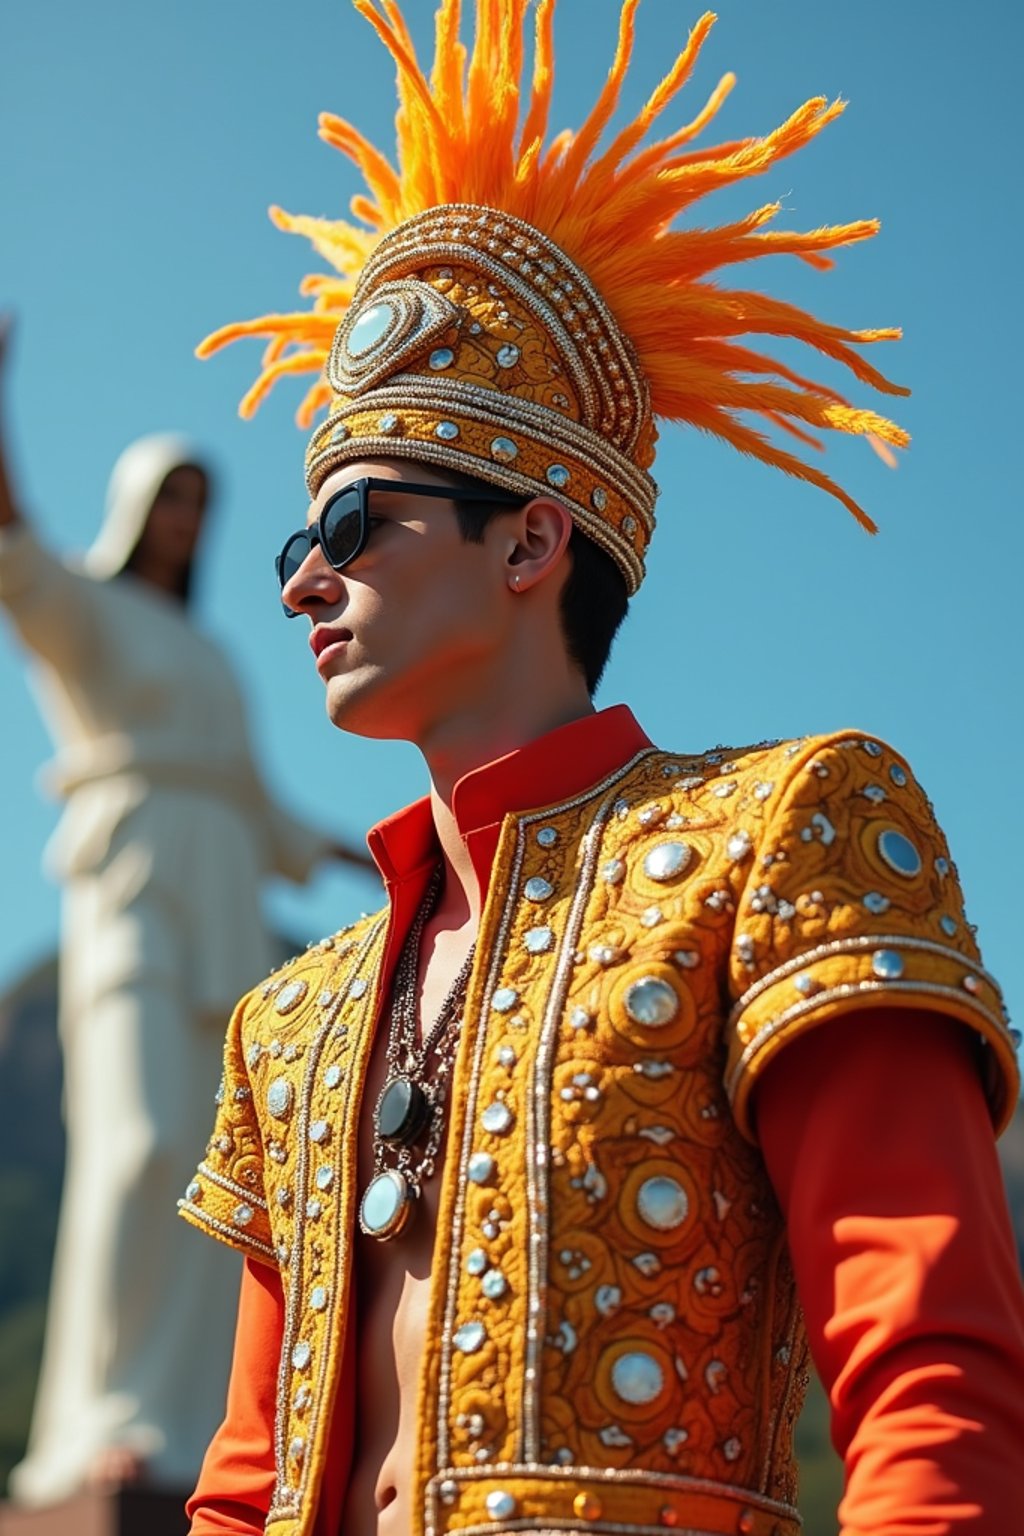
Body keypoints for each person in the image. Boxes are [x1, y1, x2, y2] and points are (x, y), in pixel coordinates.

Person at [179, 4, 1024, 1534]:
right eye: (300, 544)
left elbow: (930, 1383)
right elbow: (243, 1487)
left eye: (358, 526)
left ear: (531, 542)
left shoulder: (782, 836)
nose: (304, 582)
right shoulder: (286, 1025)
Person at [0, 324, 375, 1507]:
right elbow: (12, 551)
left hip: (225, 898)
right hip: (134, 886)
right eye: (173, 499)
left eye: (203, 505)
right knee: (139, 1145)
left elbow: (264, 804)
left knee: (222, 1171)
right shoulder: (90, 619)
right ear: (136, 505)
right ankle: (98, 1424)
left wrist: (378, 854)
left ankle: (183, 1428)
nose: (186, 522)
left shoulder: (210, 654)